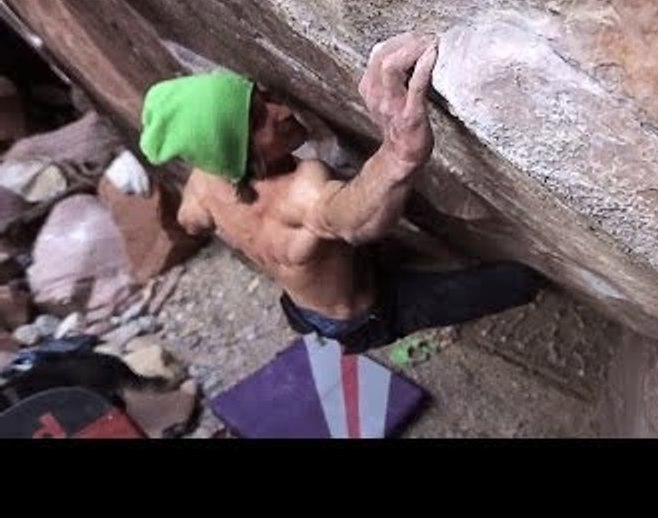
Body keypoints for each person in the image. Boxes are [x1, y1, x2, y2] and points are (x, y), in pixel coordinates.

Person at [139, 32, 542, 354]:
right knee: (517, 280)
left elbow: (190, 221)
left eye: (260, 95)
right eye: (259, 121)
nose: (280, 110)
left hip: (301, 305)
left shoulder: (207, 180)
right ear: (239, 151)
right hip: (364, 315)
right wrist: (399, 155)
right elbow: (346, 219)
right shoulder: (300, 190)